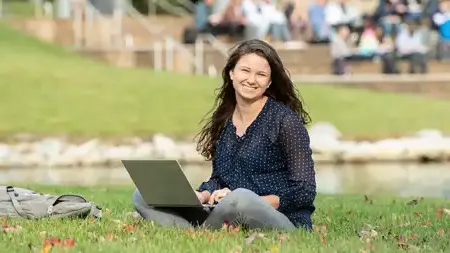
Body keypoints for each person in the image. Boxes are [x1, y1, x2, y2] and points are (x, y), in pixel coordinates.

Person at [132, 39, 317, 232]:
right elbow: (220, 178)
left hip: (282, 218)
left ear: (269, 82)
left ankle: (199, 234)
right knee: (143, 194)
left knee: (241, 199)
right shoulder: (224, 119)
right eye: (245, 70)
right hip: (226, 211)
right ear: (232, 73)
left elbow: (304, 191)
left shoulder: (285, 121)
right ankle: (193, 233)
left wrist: (251, 202)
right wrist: (203, 195)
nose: (251, 80)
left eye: (261, 74)